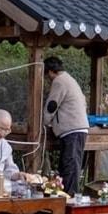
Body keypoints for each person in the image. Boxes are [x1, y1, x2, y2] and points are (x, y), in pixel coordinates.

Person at [43, 56, 89, 195]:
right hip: (76, 128)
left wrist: (44, 122)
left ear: (51, 71)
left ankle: (70, 197)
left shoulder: (59, 81)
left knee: (70, 165)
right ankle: (64, 196)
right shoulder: (69, 79)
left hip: (72, 129)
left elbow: (52, 105)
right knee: (68, 164)